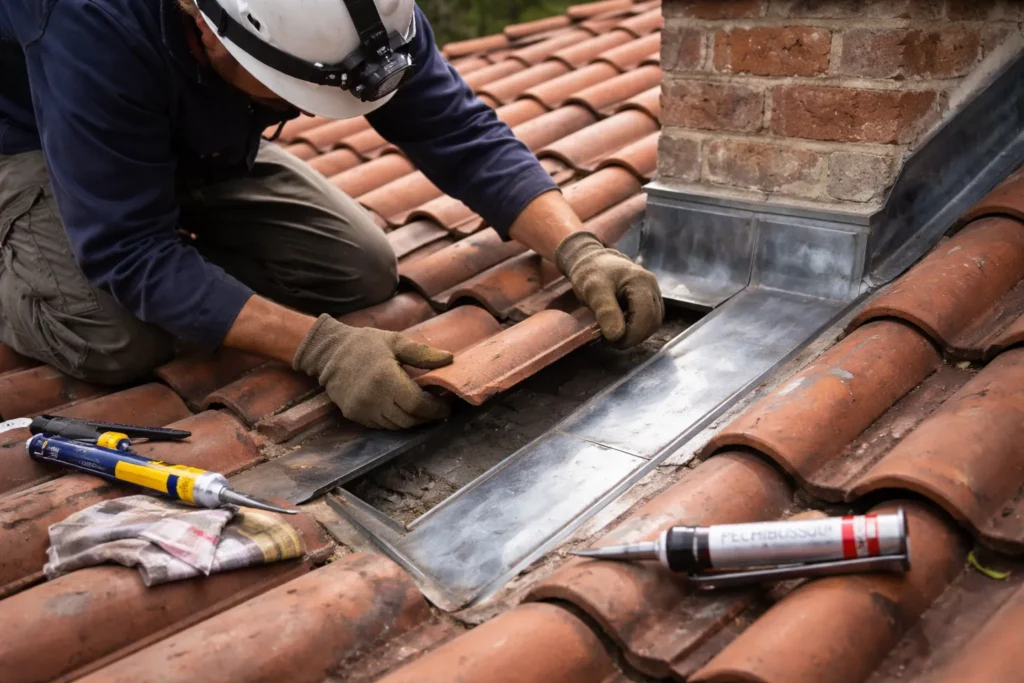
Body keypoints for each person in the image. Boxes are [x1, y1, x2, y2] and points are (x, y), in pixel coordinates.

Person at [0, 0, 664, 430]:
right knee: (115, 337)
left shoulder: (357, 17)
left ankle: (180, 269)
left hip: (182, 135)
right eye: (293, 93)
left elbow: (456, 129)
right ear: (205, 27)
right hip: (29, 137)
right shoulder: (93, 22)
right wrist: (315, 347)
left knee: (359, 269)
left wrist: (577, 247)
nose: (311, 111)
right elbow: (128, 251)